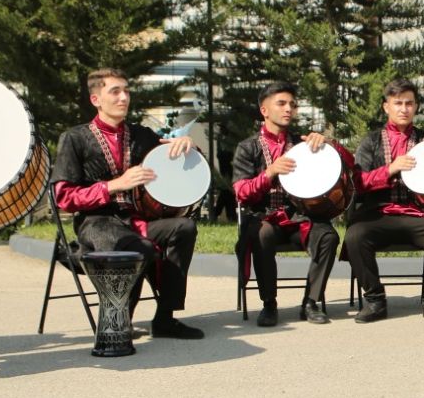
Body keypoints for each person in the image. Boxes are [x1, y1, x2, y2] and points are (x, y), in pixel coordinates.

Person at [53, 68, 204, 339]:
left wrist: (188, 145)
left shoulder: (141, 135)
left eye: (126, 91)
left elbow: (172, 157)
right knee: (137, 247)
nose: (124, 97)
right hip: (97, 222)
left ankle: (165, 318)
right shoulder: (74, 138)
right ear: (96, 99)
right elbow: (64, 198)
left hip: (138, 220)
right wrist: (113, 185)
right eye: (115, 92)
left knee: (184, 227)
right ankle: (118, 320)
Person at [344, 78, 424, 322]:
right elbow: (358, 184)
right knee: (354, 236)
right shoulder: (371, 141)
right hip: (379, 215)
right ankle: (375, 300)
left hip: (418, 215)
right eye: (398, 103)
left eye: (409, 103)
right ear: (386, 107)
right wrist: (390, 169)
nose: (404, 109)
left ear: (416, 107)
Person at [231, 82, 348, 326]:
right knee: (261, 234)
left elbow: (348, 164)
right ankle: (269, 304)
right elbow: (241, 193)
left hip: (299, 217)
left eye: (292, 105)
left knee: (328, 236)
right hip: (263, 217)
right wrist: (270, 172)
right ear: (264, 110)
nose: (288, 109)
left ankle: (311, 302)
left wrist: (329, 145)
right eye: (281, 103)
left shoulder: (305, 144)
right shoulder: (248, 147)